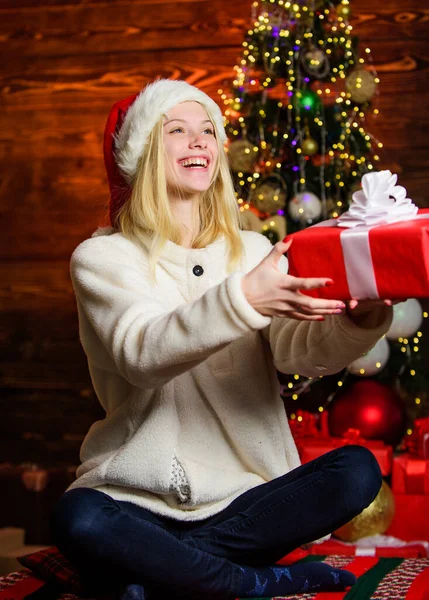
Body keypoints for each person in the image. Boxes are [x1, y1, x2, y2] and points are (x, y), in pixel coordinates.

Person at [52, 79, 394, 600]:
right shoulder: (103, 259)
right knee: (80, 517)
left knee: (356, 470)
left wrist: (359, 319)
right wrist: (244, 300)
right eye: (179, 130)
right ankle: (245, 581)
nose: (200, 142)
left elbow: (295, 350)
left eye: (208, 130)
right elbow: (141, 352)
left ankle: (161, 573)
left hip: (243, 503)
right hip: (134, 502)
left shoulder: (252, 249)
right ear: (144, 151)